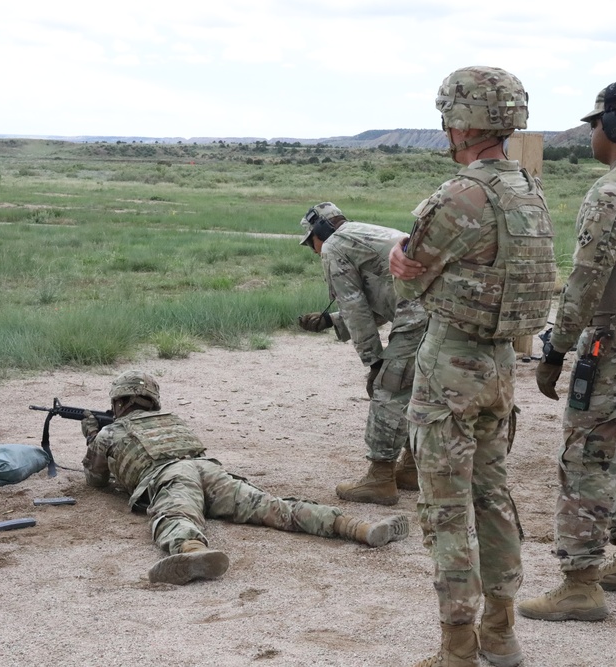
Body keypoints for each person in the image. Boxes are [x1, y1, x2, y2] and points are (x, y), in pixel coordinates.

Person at [389, 66, 556, 667]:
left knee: (446, 507)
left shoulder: (461, 195)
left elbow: (410, 271)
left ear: (458, 122)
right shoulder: (528, 189)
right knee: (494, 497)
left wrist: (397, 257)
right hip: (501, 365)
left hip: (451, 366)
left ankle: (457, 647)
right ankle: (502, 632)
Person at [515, 81, 616, 623]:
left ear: (613, 124)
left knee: (586, 458)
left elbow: (587, 280)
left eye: (593, 123)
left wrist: (556, 349)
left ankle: (580, 582)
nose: (589, 133)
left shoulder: (614, 188)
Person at [81, 370, 409, 585]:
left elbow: (95, 480)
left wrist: (92, 439)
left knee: (176, 514)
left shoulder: (112, 431)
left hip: (170, 476)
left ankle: (193, 550)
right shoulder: (172, 419)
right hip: (209, 469)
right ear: (154, 400)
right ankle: (359, 528)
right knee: (274, 506)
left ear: (118, 402)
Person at [297, 202, 428, 505]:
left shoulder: (333, 246)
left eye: (311, 243)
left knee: (388, 386)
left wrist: (373, 362)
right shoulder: (363, 234)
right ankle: (411, 468)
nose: (314, 251)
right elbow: (381, 299)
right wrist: (330, 320)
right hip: (434, 311)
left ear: (320, 231)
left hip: (417, 314)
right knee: (419, 387)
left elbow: (356, 310)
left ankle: (380, 478)